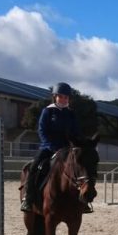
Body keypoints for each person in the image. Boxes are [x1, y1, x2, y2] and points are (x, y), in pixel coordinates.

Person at [21, 82, 90, 213]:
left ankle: (83, 201)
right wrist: (51, 145)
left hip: (67, 149)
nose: (63, 100)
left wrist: (80, 143)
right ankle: (28, 199)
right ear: (55, 97)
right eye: (61, 97)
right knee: (35, 166)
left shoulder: (71, 113)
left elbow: (76, 132)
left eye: (66, 97)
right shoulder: (48, 111)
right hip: (49, 147)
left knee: (82, 168)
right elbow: (42, 130)